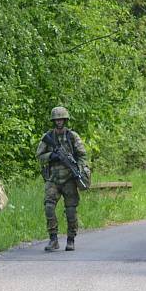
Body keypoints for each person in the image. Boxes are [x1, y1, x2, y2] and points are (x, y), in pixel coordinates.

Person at [35, 106, 90, 251]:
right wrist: (52, 156)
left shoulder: (72, 136)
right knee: (49, 207)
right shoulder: (49, 137)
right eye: (56, 119)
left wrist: (78, 168)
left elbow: (83, 156)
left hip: (69, 179)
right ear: (54, 121)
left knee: (71, 210)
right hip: (53, 178)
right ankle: (53, 239)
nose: (59, 122)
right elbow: (39, 156)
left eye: (61, 119)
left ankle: (71, 239)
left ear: (65, 120)